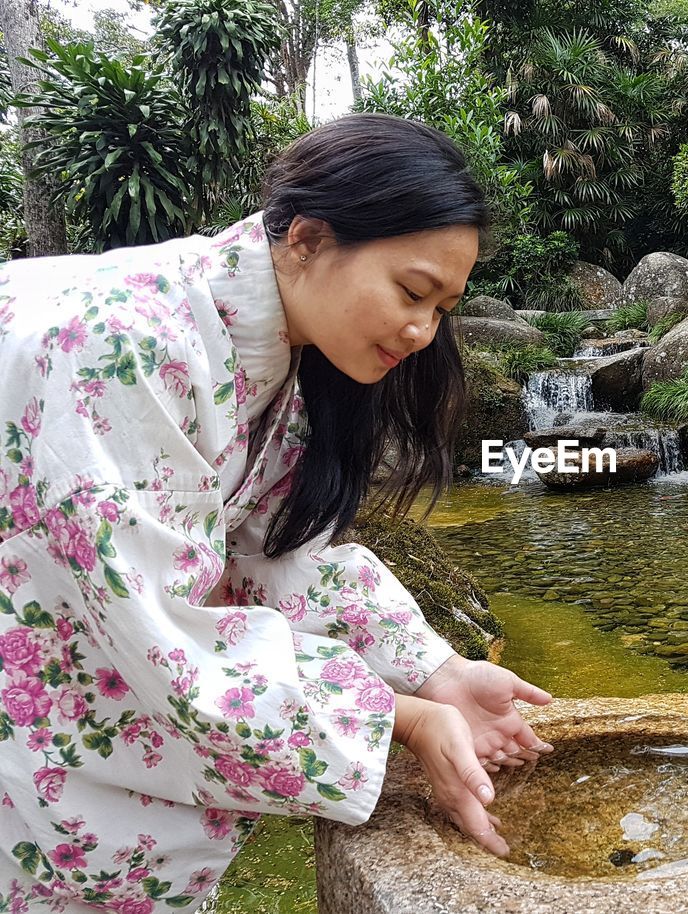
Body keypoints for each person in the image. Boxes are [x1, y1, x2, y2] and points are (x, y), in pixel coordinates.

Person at [0, 113, 551, 913]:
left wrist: (440, 672)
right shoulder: (122, 347)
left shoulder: (274, 352)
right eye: (411, 292)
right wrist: (401, 719)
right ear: (306, 238)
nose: (422, 331)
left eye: (441, 308)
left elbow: (282, 550)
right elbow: (159, 634)